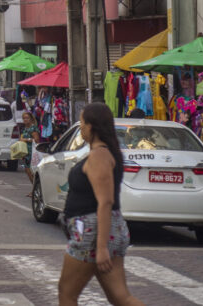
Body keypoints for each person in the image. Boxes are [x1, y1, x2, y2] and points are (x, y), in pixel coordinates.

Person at [58, 103, 142, 306]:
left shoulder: (100, 156)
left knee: (67, 293)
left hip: (92, 233)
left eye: (82, 123)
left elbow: (105, 202)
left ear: (92, 126)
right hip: (99, 231)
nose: (80, 127)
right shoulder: (103, 153)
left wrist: (102, 247)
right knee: (119, 297)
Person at [18, 111, 39, 187]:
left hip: (32, 152)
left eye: (27, 118)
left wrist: (26, 139)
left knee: (30, 170)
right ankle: (35, 188)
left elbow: (36, 140)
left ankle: (36, 188)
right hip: (26, 152)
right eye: (24, 118)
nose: (25, 120)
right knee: (27, 170)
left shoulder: (33, 128)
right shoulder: (25, 128)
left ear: (31, 119)